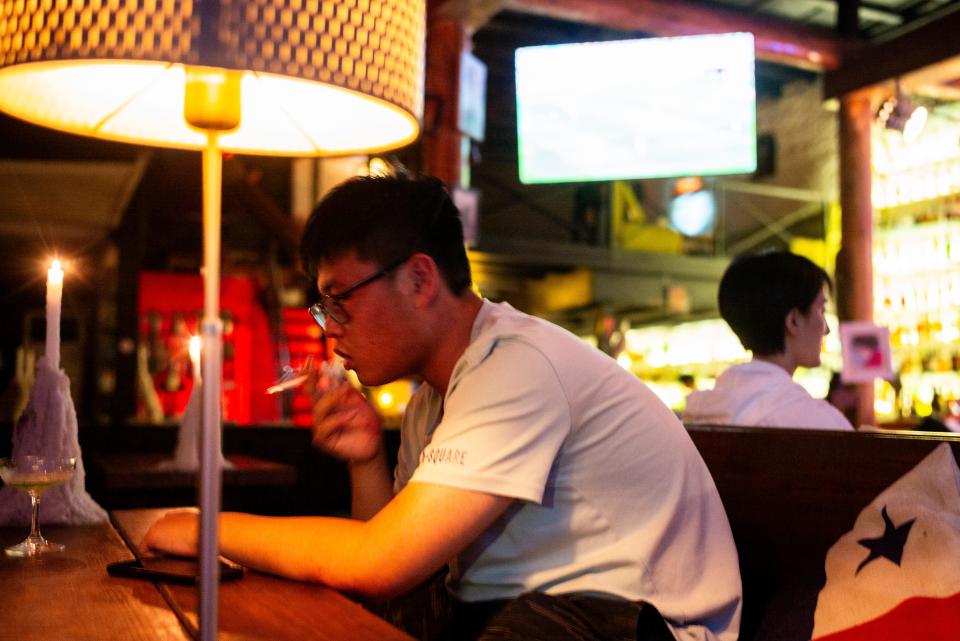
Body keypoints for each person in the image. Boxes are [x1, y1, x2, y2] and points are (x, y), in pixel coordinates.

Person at [143, 175, 742, 641]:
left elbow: (378, 563)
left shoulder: (516, 365)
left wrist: (206, 527)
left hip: (637, 624)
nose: (331, 332)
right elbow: (394, 557)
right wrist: (365, 461)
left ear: (421, 279)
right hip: (525, 614)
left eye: (339, 301)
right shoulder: (434, 392)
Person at [683, 251, 854, 431]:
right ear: (793, 321)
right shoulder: (818, 421)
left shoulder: (699, 410)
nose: (826, 329)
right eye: (821, 309)